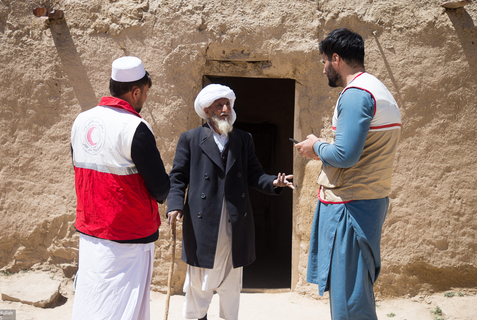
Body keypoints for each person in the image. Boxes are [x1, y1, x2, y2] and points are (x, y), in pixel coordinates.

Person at [296, 28, 401, 319]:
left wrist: (315, 146)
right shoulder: (379, 90)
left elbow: (345, 155)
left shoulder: (356, 94)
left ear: (336, 58)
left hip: (349, 209)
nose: (323, 68)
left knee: (349, 303)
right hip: (365, 202)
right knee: (355, 295)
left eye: (324, 62)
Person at [167, 84, 294, 320]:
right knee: (198, 287)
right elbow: (178, 177)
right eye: (219, 105)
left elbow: (254, 174)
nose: (226, 109)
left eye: (228, 104)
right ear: (207, 110)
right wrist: (174, 205)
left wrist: (274, 183)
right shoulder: (191, 139)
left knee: (231, 287)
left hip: (234, 223)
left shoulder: (243, 139)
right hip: (202, 224)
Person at [70, 56, 170, 320]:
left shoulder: (81, 121)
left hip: (91, 233)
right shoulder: (134, 127)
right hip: (128, 239)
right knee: (123, 308)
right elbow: (160, 186)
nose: (145, 99)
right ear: (135, 92)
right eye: (145, 93)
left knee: (92, 301)